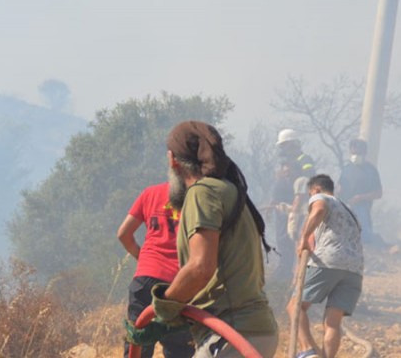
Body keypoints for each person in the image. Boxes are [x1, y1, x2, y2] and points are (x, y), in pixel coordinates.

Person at [127, 120, 279, 357]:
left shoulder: (202, 192)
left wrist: (162, 309)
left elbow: (200, 268)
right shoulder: (228, 190)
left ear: (172, 160)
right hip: (255, 332)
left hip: (231, 333)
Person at [286, 174, 364, 358]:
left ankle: (307, 350)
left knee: (294, 306)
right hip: (355, 269)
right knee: (333, 322)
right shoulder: (349, 210)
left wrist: (303, 238)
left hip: (329, 261)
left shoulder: (320, 197)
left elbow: (318, 210)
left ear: (315, 189)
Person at [117, 182, 194, 358]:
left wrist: (143, 259)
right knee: (180, 351)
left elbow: (123, 234)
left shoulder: (150, 193)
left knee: (138, 347)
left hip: (145, 280)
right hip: (180, 285)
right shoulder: (198, 196)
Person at [270, 128, 316, 279]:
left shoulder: (305, 160)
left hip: (295, 208)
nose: (282, 149)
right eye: (281, 146)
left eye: (285, 145)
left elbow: (306, 180)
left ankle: (289, 271)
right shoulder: (284, 162)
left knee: (291, 238)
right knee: (281, 238)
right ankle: (284, 268)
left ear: (293, 144)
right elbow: (279, 182)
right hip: (281, 208)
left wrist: (295, 208)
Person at [336, 139, 383, 244]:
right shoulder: (347, 168)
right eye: (353, 153)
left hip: (361, 207)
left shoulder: (371, 170)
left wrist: (360, 198)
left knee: (363, 235)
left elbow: (378, 193)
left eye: (358, 153)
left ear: (364, 153)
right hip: (344, 205)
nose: (355, 155)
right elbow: (340, 186)